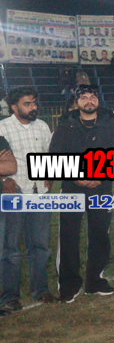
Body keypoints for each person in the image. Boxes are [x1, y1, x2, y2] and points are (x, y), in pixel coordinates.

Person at [47, 86, 114, 302]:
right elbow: (56, 155)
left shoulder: (109, 124)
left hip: (101, 186)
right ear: (76, 102)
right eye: (84, 97)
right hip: (72, 186)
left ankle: (95, 280)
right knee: (68, 235)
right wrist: (77, 178)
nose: (89, 101)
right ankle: (68, 284)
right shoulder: (66, 125)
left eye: (93, 97)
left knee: (100, 233)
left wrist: (100, 177)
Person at [0, 87, 56, 311]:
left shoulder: (42, 126)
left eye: (34, 103)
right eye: (27, 104)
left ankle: (41, 290)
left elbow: (49, 153)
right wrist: (4, 179)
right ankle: (10, 296)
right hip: (14, 191)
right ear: (14, 107)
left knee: (40, 245)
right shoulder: (3, 127)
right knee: (11, 247)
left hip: (40, 191)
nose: (33, 107)